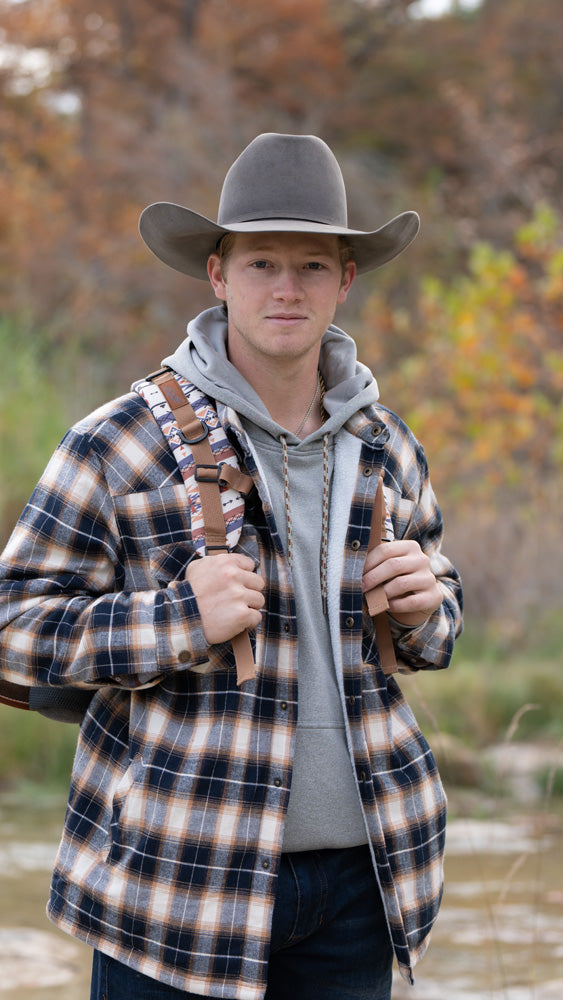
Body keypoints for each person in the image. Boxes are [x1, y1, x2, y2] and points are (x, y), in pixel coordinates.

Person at [0, 133, 462, 1000]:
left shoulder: (386, 445)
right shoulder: (118, 441)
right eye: (260, 263)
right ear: (217, 275)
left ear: (344, 280)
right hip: (177, 888)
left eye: (311, 266)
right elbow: (12, 629)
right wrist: (177, 619)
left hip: (365, 884)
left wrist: (425, 607)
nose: (286, 288)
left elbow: (442, 611)